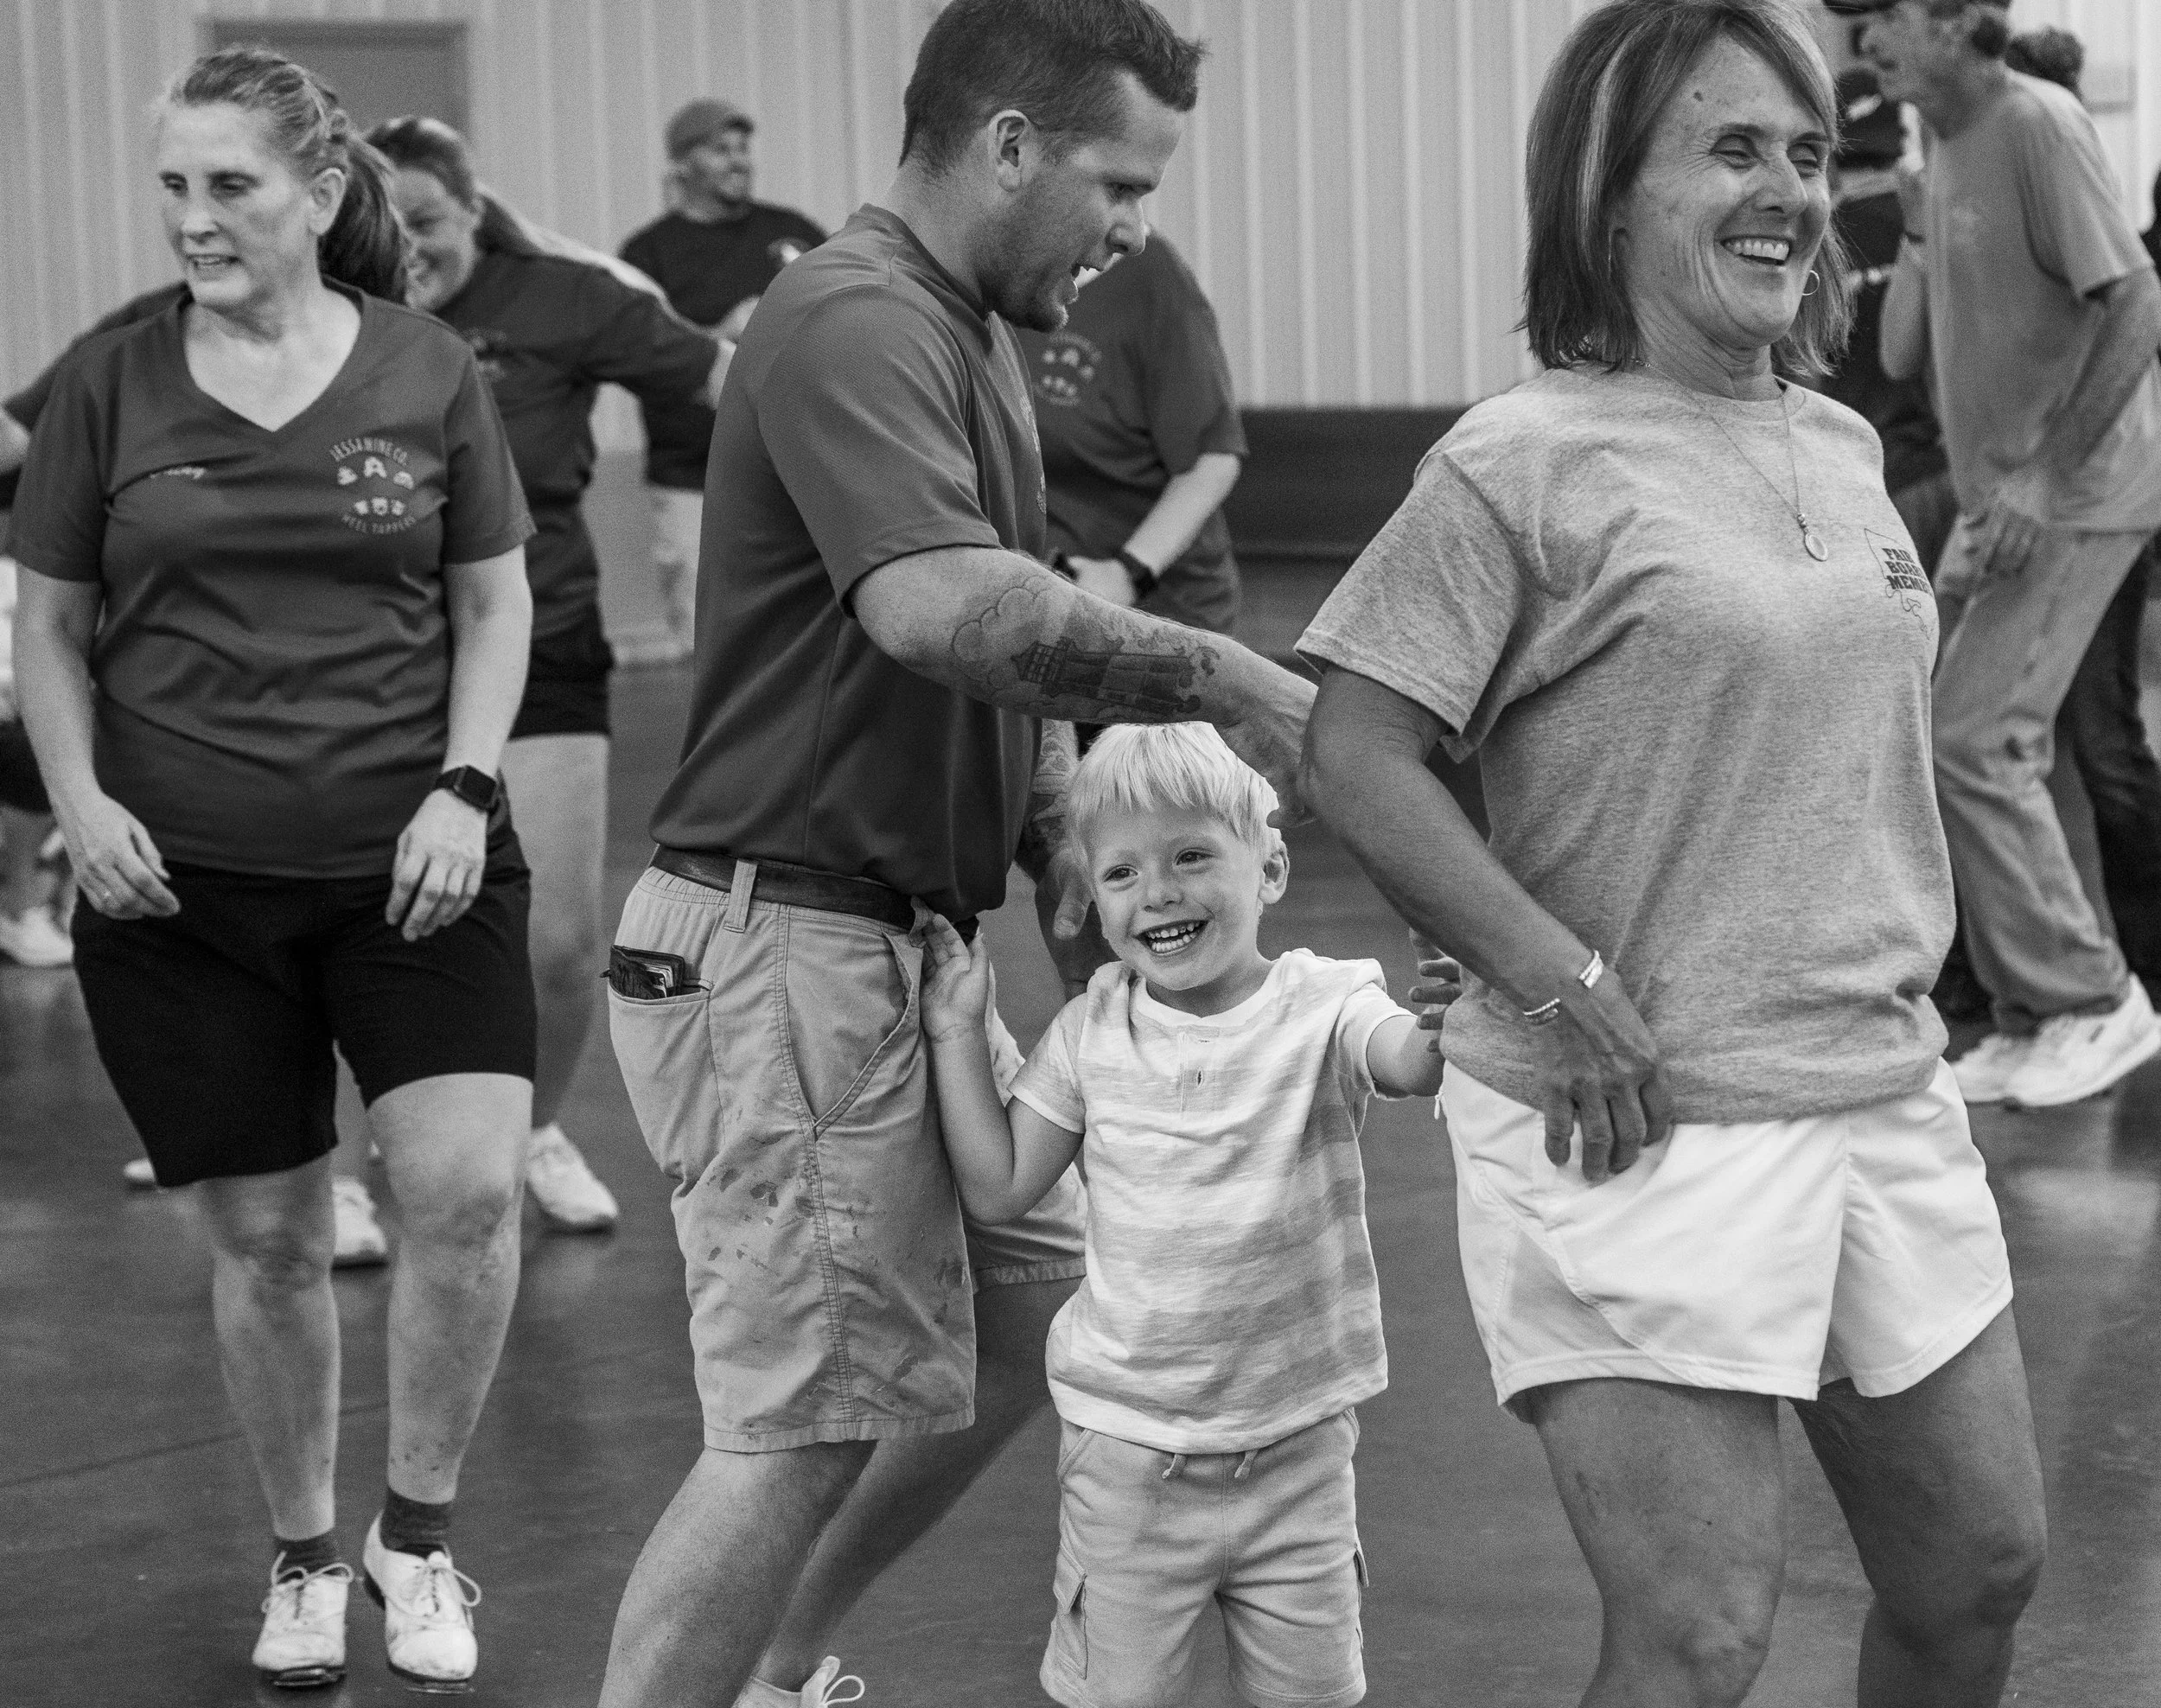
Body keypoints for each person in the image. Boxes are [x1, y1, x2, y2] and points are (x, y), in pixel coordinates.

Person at [1298, 4, 2045, 1705]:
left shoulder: (1838, 442)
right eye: (1730, 149)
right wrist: (1548, 980)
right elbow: (1356, 744)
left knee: (1977, 1565)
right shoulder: (1521, 459)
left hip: (1872, 1078)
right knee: (1701, 1633)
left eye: (1800, 151)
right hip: (1637, 1118)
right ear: (1608, 194)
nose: (1786, 186)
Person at [596, 3, 1316, 1704]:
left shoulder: (972, 328)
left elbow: (1006, 594)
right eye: (1116, 183)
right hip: (782, 941)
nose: (1132, 227)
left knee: (1023, 1316)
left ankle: (766, 1664)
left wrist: (1057, 805)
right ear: (1006, 145)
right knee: (796, 1424)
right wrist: (1243, 687)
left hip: (898, 941)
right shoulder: (854, 318)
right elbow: (942, 609)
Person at [10, 46, 538, 1689]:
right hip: (178, 893)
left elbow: (491, 603)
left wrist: (465, 782)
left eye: (229, 185)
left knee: (461, 1194)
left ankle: (420, 1540)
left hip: (417, 867)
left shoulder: (427, 365)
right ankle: (306, 1554)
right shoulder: (106, 384)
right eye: (173, 186)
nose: (194, 218)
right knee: (271, 1243)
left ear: (317, 196)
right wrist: (76, 809)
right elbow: (50, 625)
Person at [918, 723, 1449, 1708]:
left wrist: (1444, 1014)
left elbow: (1407, 1062)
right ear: (1095, 898)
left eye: (1192, 855)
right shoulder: (1091, 1031)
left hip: (1297, 1451)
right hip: (1128, 1459)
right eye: (1121, 872)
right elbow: (998, 1186)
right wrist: (954, 1032)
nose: (1157, 890)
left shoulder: (1326, 1001)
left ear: (1272, 867)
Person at [373, 115, 728, 1234]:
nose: (411, 246)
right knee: (366, 926)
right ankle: (339, 1162)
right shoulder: (340, 303)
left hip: (543, 631)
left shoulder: (566, 295)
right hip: (377, 650)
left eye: (427, 221)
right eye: (391, 226)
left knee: (567, 941)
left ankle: (535, 1127)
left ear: (472, 208)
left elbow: (726, 376)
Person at [1865, 0, 2161, 1106]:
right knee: (1934, 739)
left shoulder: (2034, 122)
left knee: (1980, 736)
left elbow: (2136, 299)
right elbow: (1899, 351)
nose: (1867, 40)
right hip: (2001, 503)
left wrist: (2042, 470)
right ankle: (2031, 1010)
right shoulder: (1939, 141)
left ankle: (2093, 999)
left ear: (1957, 20)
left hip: (2079, 495)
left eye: (1887, 17)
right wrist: (1912, 228)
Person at [618, 99, 826, 660]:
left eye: (742, 149)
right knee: (711, 651)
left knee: (806, 645)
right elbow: (635, 361)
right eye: (719, 150)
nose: (738, 161)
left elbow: (851, 320)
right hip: (695, 481)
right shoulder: (648, 255)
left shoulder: (791, 233)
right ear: (682, 165)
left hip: (796, 474)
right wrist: (719, 335)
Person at [1013, 235, 1246, 633]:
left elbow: (1213, 460)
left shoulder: (1154, 280)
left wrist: (1127, 572)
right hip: (1044, 603)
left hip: (1161, 612)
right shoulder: (994, 284)